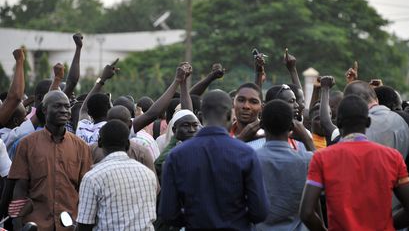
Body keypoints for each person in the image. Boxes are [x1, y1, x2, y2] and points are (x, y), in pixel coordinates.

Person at [300, 95, 409, 231]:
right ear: (368, 122)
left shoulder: (321, 158)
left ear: (338, 122)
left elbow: (307, 213)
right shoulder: (393, 157)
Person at [158, 90, 269, 230]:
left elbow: (168, 214)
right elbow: (260, 212)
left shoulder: (176, 156)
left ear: (200, 116)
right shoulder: (246, 154)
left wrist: (193, 220)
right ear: (230, 115)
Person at [8, 90, 92, 230]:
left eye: (67, 107)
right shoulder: (27, 144)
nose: (64, 110)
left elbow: (85, 191)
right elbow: (20, 188)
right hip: (36, 225)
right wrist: (17, 224)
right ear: (45, 110)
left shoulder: (81, 147)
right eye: (58, 106)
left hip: (70, 225)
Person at [76, 120, 158, 231]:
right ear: (128, 144)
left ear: (99, 142)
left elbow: (84, 225)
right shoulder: (148, 174)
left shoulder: (93, 177)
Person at [255, 99, 311, 231]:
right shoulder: (307, 160)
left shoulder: (250, 159)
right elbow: (322, 167)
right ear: (292, 126)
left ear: (261, 124)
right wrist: (308, 140)